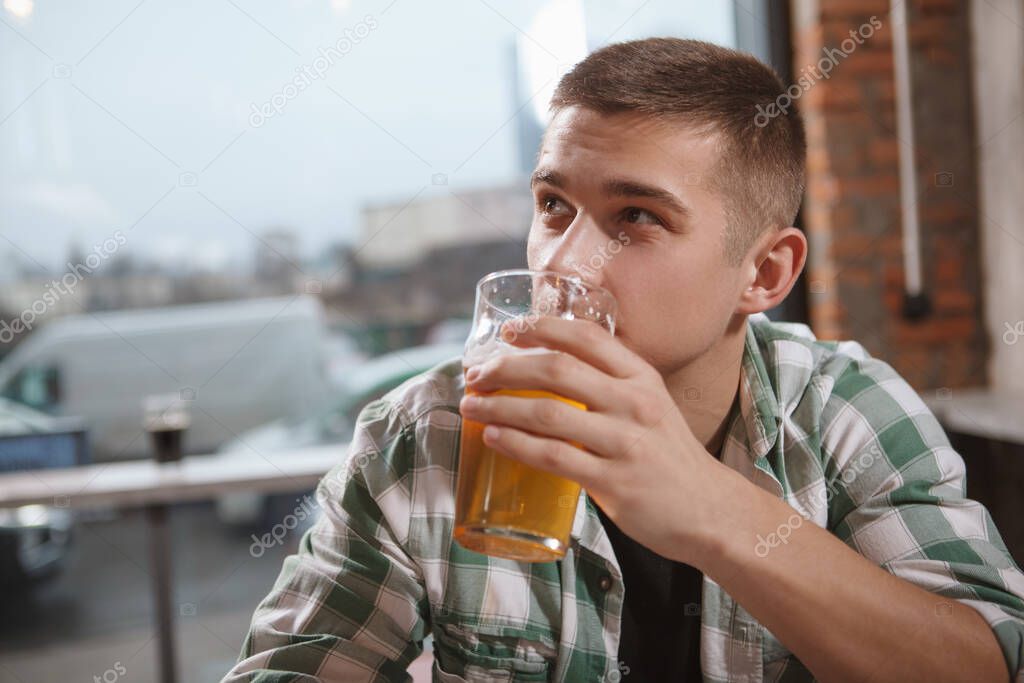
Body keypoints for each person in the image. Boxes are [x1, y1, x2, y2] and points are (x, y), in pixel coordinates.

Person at [225, 38, 1024, 682]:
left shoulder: (846, 412)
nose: (564, 263)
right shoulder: (427, 432)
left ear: (765, 273)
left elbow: (989, 661)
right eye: (553, 205)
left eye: (635, 216)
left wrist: (714, 511)